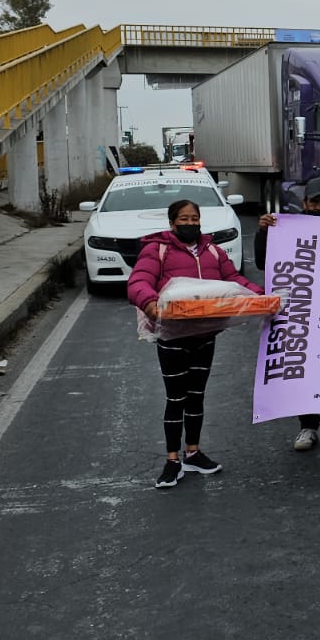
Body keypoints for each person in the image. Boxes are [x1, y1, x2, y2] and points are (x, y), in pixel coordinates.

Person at [128, 198, 265, 489]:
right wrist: (150, 303)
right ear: (172, 222)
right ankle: (172, 460)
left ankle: (193, 452)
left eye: (194, 219)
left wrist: (262, 297)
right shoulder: (157, 250)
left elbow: (235, 280)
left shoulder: (213, 252)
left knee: (196, 397)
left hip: (205, 336)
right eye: (184, 219)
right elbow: (138, 282)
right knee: (175, 398)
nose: (190, 224)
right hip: (172, 338)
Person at [256, 177, 320, 452]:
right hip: (302, 310)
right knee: (304, 367)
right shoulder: (287, 228)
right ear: (305, 203)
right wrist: (264, 232)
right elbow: (265, 260)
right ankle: (307, 427)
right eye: (315, 202)